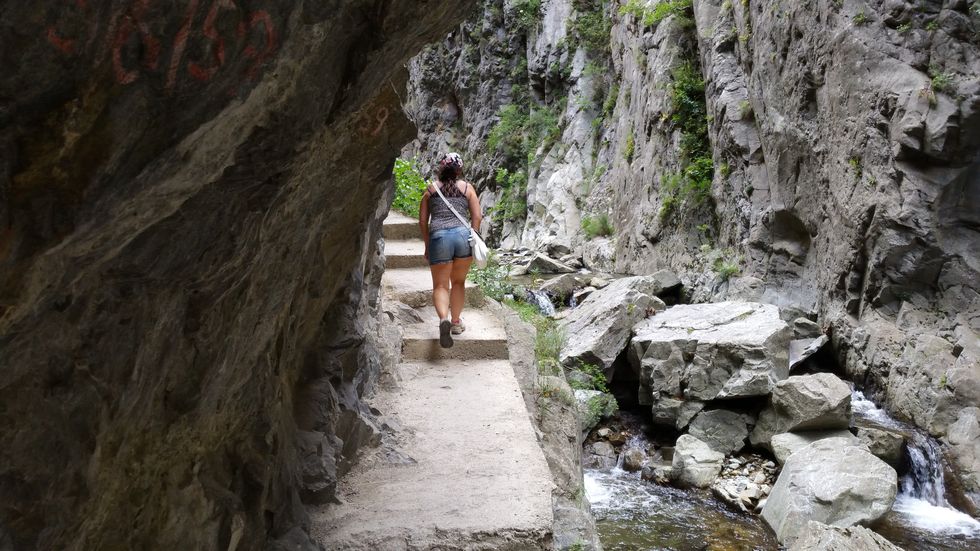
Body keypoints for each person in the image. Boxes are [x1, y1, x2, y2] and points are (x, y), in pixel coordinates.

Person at [418, 153, 483, 348]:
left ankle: (443, 319)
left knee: (440, 286)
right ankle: (455, 322)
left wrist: (428, 244)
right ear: (459, 170)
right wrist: (474, 236)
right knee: (458, 282)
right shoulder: (467, 188)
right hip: (462, 237)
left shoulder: (430, 190)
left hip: (439, 238)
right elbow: (477, 216)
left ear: (441, 168)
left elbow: (423, 221)